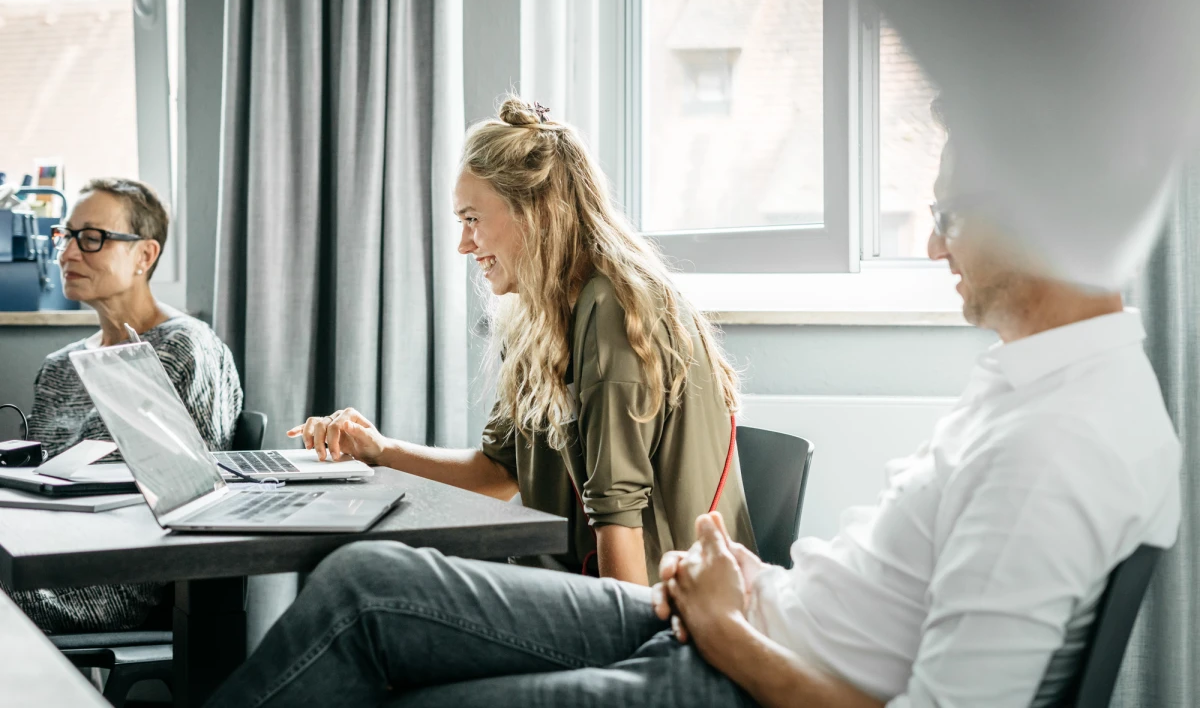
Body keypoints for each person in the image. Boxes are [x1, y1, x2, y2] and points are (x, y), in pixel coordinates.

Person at [205, 102, 1179, 708]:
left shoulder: (1060, 439)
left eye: (946, 215)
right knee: (366, 577)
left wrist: (728, 633)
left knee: (391, 661)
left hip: (730, 665)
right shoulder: (1039, 387)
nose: (934, 249)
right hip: (735, 619)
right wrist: (745, 583)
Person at [289, 97, 754, 585]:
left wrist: (625, 659)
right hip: (577, 585)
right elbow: (497, 472)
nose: (464, 244)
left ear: (535, 212)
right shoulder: (545, 316)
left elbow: (620, 523)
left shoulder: (613, 308)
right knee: (368, 575)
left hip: (660, 613)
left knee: (365, 579)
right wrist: (377, 449)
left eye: (472, 219)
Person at [7, 178, 243, 633]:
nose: (68, 253)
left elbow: (195, 502)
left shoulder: (184, 348)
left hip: (106, 578)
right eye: (66, 235)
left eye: (92, 238)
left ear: (145, 255)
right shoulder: (60, 366)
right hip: (32, 552)